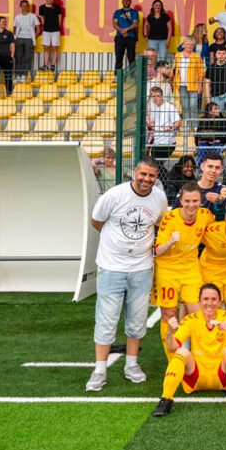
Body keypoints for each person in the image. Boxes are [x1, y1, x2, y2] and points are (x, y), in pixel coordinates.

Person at [86, 158, 168, 392]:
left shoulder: (159, 198)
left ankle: (131, 365)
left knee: (137, 318)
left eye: (152, 176)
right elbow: (97, 222)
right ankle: (100, 370)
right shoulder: (114, 195)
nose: (146, 179)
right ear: (135, 173)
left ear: (156, 178)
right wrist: (118, 245)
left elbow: (156, 225)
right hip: (111, 267)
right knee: (106, 318)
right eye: (143, 174)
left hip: (141, 268)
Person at [154, 283, 226, 417]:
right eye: (205, 299)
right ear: (199, 302)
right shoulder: (190, 319)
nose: (209, 303)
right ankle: (166, 399)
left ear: (220, 301)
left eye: (213, 299)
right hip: (196, 376)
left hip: (221, 375)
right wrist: (170, 333)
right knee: (181, 352)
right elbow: (172, 347)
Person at [152, 182, 216, 354]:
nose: (191, 205)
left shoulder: (205, 215)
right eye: (187, 201)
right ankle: (173, 359)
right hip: (168, 270)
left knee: (199, 312)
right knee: (169, 314)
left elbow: (216, 228)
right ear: (181, 200)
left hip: (191, 269)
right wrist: (170, 241)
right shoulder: (170, 218)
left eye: (195, 201)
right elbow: (157, 251)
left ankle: (198, 355)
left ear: (200, 201)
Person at [172, 37, 205, 135]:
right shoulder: (178, 55)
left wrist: (200, 85)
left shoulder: (196, 56)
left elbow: (201, 72)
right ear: (183, 45)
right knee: (185, 106)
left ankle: (195, 125)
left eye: (192, 45)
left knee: (193, 105)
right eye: (188, 44)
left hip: (193, 85)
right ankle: (187, 124)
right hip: (181, 85)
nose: (189, 46)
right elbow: (174, 69)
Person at [147, 86, 182, 163]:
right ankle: (166, 175)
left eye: (157, 96)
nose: (155, 98)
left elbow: (179, 122)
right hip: (157, 142)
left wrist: (171, 128)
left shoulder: (169, 107)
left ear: (162, 96)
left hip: (167, 142)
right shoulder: (153, 107)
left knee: (156, 164)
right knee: (156, 165)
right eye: (153, 96)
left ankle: (168, 174)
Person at [196, 151, 226, 219]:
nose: (213, 170)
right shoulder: (188, 189)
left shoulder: (223, 190)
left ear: (221, 170)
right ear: (202, 166)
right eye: (210, 166)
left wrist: (221, 201)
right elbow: (176, 213)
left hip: (215, 228)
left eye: (217, 168)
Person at [12, 0, 40, 81]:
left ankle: (24, 75)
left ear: (28, 7)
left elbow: (38, 29)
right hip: (19, 39)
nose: (24, 7)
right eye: (23, 6)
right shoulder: (17, 17)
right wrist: (17, 36)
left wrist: (33, 37)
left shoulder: (33, 16)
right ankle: (18, 75)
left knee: (27, 58)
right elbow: (14, 28)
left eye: (26, 6)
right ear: (20, 7)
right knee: (18, 57)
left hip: (29, 39)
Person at [112, 0, 140, 70]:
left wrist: (126, 30)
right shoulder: (117, 12)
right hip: (119, 37)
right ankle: (117, 77)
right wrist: (121, 31)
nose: (126, 1)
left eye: (128, 0)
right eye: (124, 0)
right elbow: (114, 23)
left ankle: (132, 77)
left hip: (130, 37)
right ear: (122, 1)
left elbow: (135, 24)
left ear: (130, 2)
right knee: (119, 58)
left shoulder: (134, 12)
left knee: (131, 58)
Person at [38, 0, 63, 72]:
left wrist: (58, 25)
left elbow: (60, 16)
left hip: (55, 30)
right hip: (46, 30)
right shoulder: (42, 7)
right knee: (46, 47)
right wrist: (44, 23)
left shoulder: (57, 7)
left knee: (55, 48)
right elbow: (42, 17)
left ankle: (53, 65)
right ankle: (45, 65)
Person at [0, 15, 15, 94]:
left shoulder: (9, 33)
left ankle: (9, 93)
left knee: (8, 77)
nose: (4, 23)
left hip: (7, 58)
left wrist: (12, 57)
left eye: (5, 22)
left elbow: (12, 46)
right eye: (2, 22)